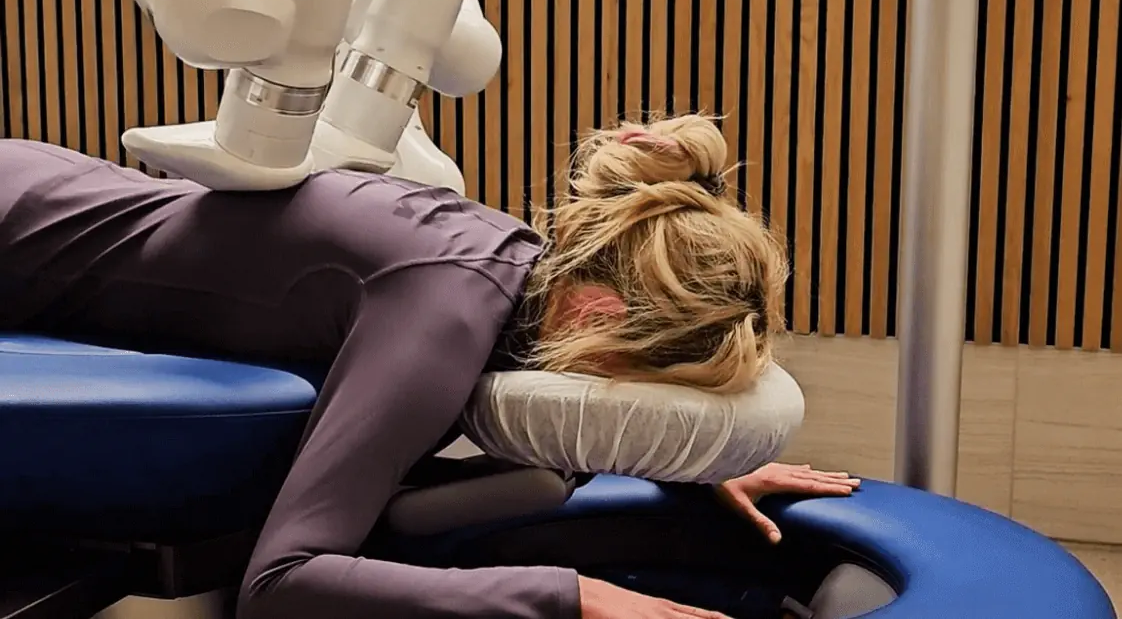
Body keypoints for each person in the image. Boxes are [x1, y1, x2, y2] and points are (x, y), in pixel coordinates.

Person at [0, 114, 859, 619]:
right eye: (651, 386)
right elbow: (283, 583)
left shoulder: (515, 269)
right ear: (598, 314)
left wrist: (687, 460)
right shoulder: (442, 310)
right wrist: (577, 598)